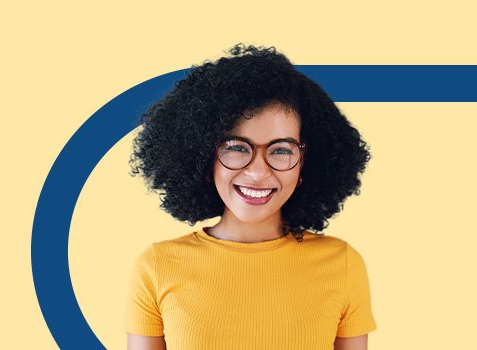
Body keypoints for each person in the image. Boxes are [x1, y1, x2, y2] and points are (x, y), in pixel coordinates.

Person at [125, 44, 377, 350]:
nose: (258, 172)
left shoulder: (343, 265)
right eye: (236, 147)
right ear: (205, 156)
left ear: (305, 162)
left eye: (282, 149)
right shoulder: (156, 266)